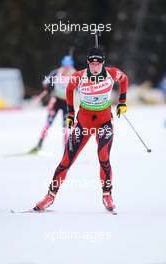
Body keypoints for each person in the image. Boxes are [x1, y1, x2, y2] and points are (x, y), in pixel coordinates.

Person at [33, 47, 128, 211]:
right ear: (88, 63)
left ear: (103, 63)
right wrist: (70, 114)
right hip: (83, 124)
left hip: (104, 123)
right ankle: (50, 195)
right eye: (92, 63)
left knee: (104, 157)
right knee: (66, 161)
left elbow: (124, 79)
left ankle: (107, 195)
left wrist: (122, 102)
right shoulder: (79, 76)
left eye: (99, 63)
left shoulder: (112, 73)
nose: (95, 66)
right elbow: (69, 90)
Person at [30, 55, 75, 153]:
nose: (66, 68)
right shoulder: (56, 72)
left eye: (68, 66)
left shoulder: (75, 74)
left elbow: (80, 88)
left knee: (65, 127)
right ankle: (39, 145)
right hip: (56, 101)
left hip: (67, 103)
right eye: (65, 66)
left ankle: (66, 150)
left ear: (71, 65)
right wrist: (48, 88)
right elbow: (45, 82)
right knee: (48, 124)